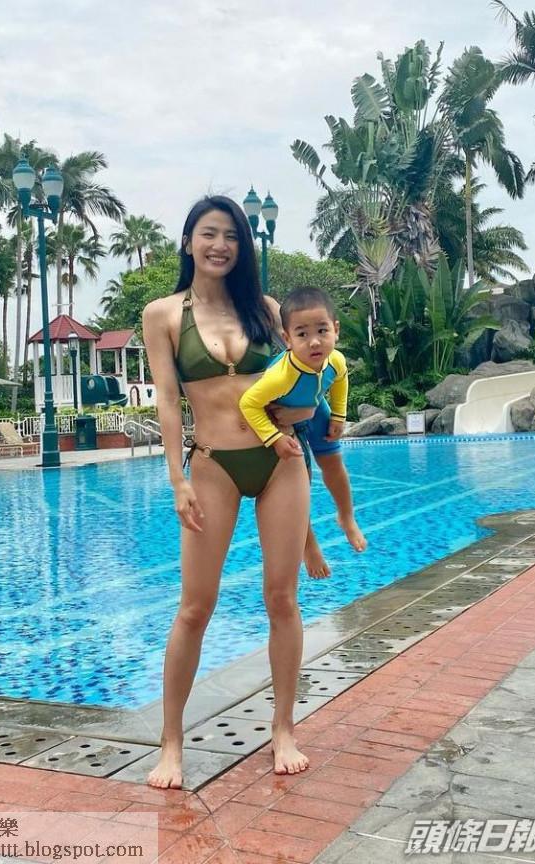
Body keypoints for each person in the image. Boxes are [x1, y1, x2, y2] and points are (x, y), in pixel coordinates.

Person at [142, 195, 311, 790]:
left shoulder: (266, 309)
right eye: (210, 234)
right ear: (188, 241)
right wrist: (177, 478)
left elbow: (303, 380)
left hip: (281, 463)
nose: (220, 245)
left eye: (232, 236)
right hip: (212, 464)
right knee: (195, 606)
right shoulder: (163, 314)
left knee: (282, 599)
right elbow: (168, 399)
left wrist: (308, 412)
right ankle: (170, 742)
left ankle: (283, 728)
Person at [240, 287, 366, 577]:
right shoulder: (281, 376)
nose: (314, 342)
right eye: (302, 334)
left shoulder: (336, 360)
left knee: (334, 464)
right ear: (287, 340)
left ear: (336, 330)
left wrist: (339, 416)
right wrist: (274, 438)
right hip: (283, 418)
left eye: (322, 330)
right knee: (300, 481)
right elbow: (248, 403)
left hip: (314, 405)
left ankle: (346, 517)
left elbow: (341, 379)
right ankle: (309, 543)